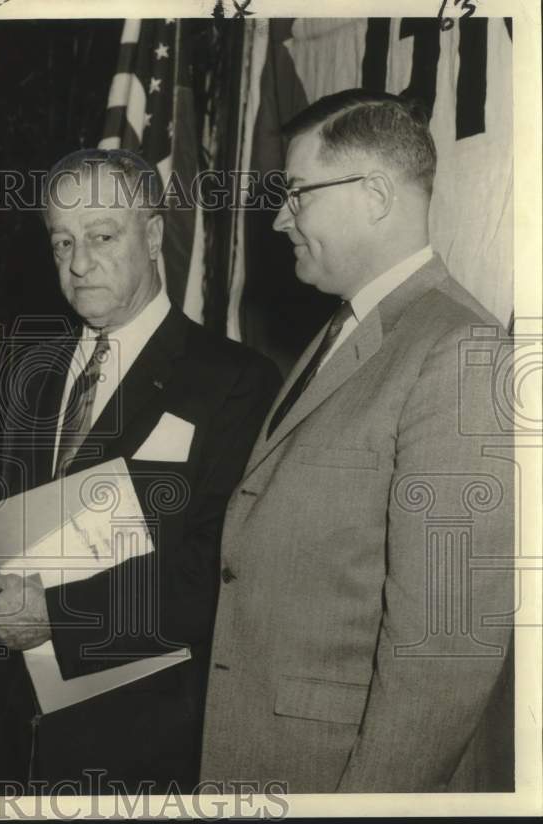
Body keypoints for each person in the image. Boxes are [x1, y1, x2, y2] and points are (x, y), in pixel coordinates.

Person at [199, 90, 514, 793]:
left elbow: (446, 648)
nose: (281, 219)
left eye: (299, 193)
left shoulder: (461, 351)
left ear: (373, 194)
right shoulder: (344, 331)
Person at [0, 148, 280, 793]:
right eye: (62, 242)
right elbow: (19, 534)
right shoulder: (32, 372)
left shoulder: (234, 381)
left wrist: (60, 616)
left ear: (154, 235)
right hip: (11, 741)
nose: (78, 263)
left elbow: (221, 574)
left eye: (102, 236)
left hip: (145, 751)